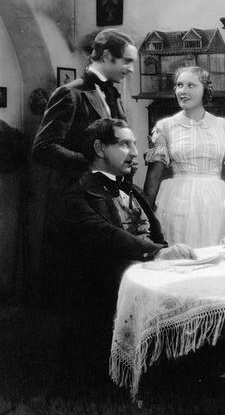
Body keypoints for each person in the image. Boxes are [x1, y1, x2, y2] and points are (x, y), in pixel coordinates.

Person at [45, 118, 195, 391]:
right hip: (104, 294)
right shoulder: (74, 192)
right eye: (124, 144)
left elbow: (156, 234)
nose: (135, 153)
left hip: (147, 280)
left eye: (134, 144)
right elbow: (104, 233)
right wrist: (156, 254)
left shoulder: (131, 189)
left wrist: (165, 254)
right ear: (99, 148)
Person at [143, 66, 225, 248]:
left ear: (205, 90)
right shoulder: (165, 126)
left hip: (215, 201)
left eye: (191, 85)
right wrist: (142, 218)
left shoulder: (223, 126)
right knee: (180, 254)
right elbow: (153, 180)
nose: (183, 91)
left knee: (214, 252)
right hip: (177, 200)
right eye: (179, 85)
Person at [33, 29, 137, 185]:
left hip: (109, 192)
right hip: (77, 192)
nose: (131, 69)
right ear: (106, 56)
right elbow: (43, 148)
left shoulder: (112, 93)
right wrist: (94, 164)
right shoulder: (70, 93)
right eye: (127, 61)